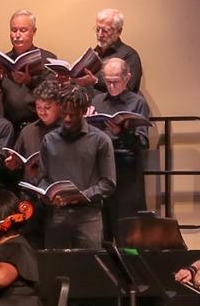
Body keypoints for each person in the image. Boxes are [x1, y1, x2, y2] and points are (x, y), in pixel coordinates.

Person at [35, 84, 114, 248]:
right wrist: (48, 195)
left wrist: (82, 196)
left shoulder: (100, 140)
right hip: (58, 215)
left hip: (89, 216)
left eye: (73, 114)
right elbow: (42, 179)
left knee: (89, 262)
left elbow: (108, 183)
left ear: (84, 111)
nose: (67, 119)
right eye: (64, 113)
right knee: (56, 263)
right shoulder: (49, 140)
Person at [89, 57, 154, 231]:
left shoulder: (137, 102)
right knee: (103, 227)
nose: (111, 86)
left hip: (126, 169)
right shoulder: (97, 101)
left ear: (127, 78)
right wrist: (86, 123)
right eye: (107, 81)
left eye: (116, 81)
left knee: (127, 226)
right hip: (101, 168)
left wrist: (122, 132)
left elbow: (143, 142)